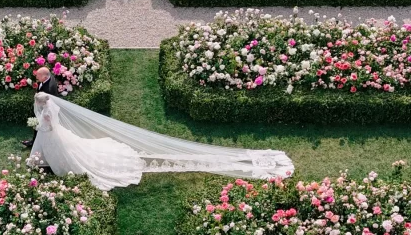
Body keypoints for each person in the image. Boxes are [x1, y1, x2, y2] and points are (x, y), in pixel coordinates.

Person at [30, 92, 293, 189]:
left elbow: (48, 128)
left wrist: (39, 124)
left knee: (78, 156)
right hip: (58, 138)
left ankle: (257, 162)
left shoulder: (48, 115)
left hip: (56, 138)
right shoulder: (51, 108)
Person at [22, 66, 61, 148]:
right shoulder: (47, 78)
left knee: (41, 126)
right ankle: (35, 142)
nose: (36, 77)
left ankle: (37, 144)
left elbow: (47, 103)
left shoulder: (48, 89)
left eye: (38, 76)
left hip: (45, 110)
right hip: (43, 109)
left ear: (45, 77)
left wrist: (42, 113)